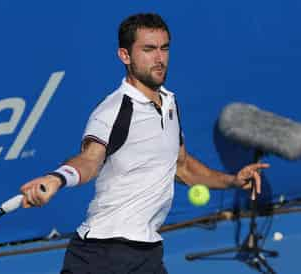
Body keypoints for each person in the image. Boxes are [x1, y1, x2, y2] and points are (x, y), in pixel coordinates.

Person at [20, 13, 269, 274]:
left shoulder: (169, 103)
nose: (159, 59)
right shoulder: (114, 110)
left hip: (146, 252)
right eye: (148, 50)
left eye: (164, 48)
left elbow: (181, 166)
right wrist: (57, 178)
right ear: (125, 56)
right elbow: (90, 159)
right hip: (102, 255)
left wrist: (232, 181)